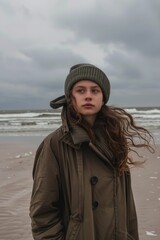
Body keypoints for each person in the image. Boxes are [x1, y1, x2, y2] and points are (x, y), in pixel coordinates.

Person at [29, 63, 154, 240]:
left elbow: (127, 206)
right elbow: (43, 211)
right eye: (80, 90)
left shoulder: (115, 140)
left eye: (95, 90)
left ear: (103, 97)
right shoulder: (55, 144)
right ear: (70, 97)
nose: (88, 96)